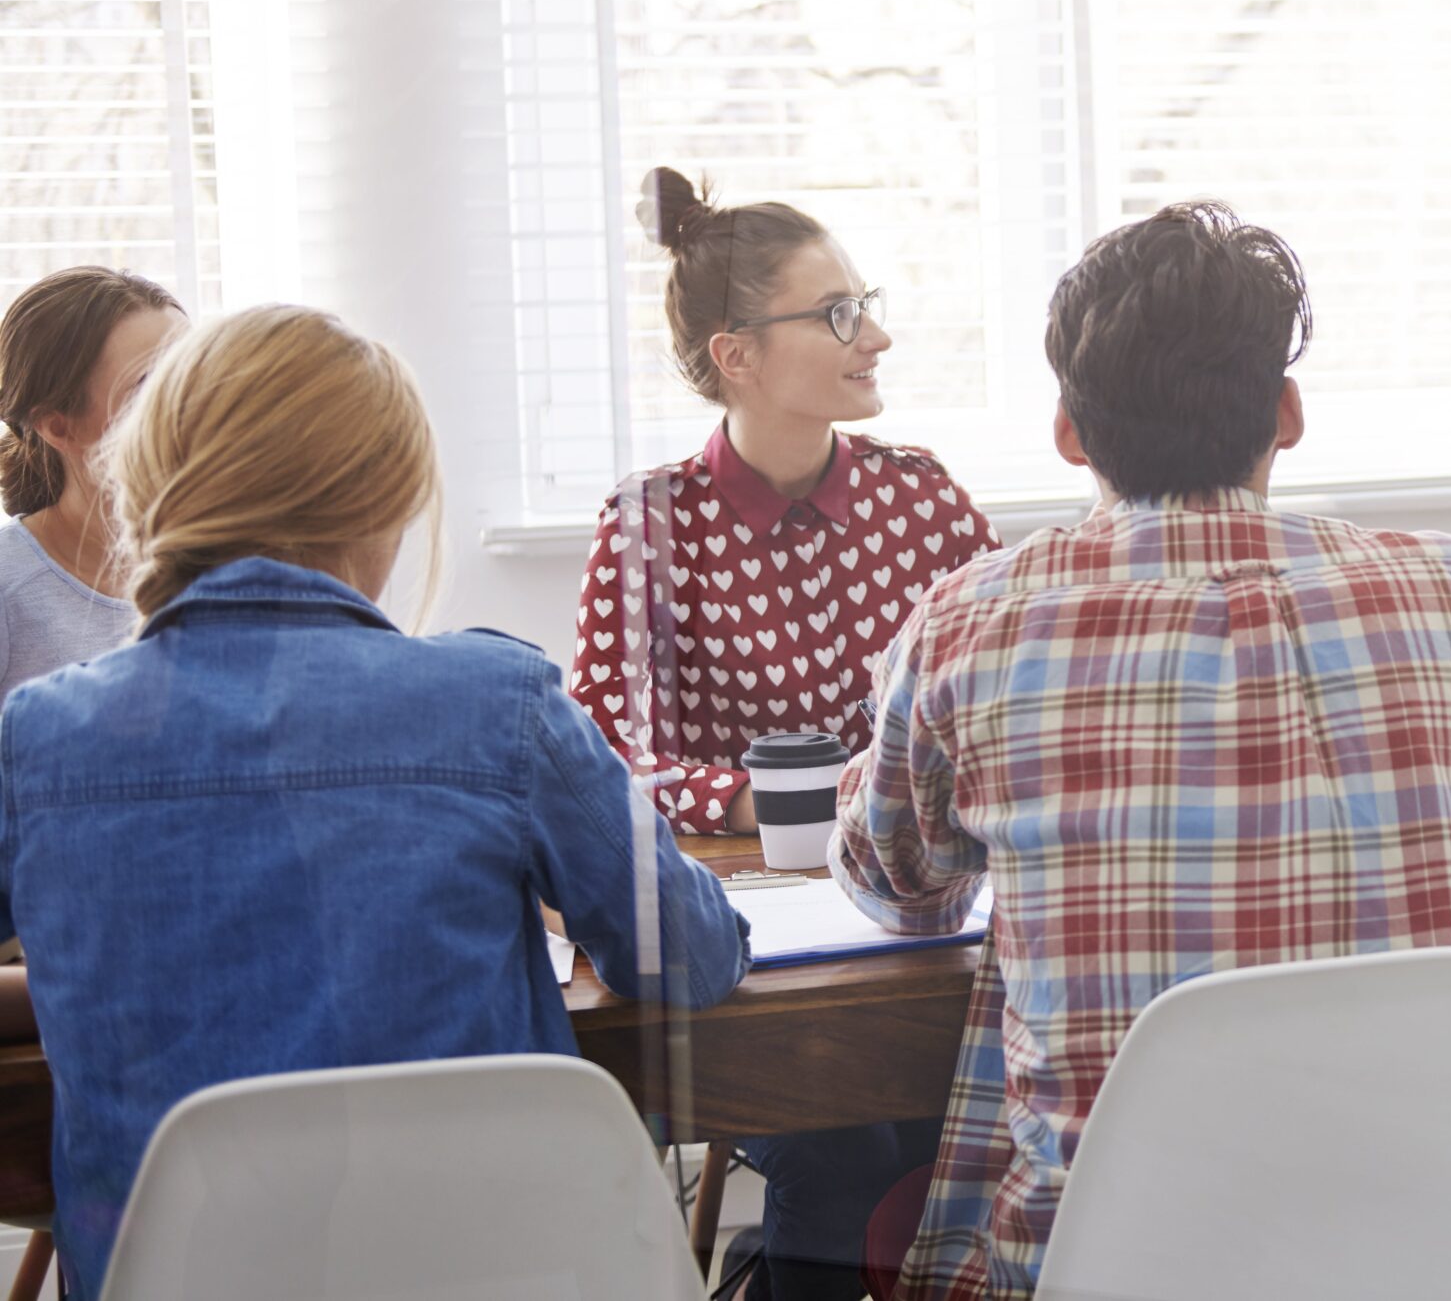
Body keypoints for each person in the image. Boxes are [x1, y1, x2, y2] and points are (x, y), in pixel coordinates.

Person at [840, 202, 1451, 1301]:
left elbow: (899, 886)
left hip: (1115, 1268)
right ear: (1285, 414)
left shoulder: (966, 625)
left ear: (1069, 433)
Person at [0, 305, 748, 1296]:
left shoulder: (38, 739)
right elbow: (690, 959)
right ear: (385, 499)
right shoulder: (498, 703)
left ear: (153, 489)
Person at [569, 169, 998, 1298]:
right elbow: (601, 765)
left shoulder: (927, 501)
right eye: (840, 314)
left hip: (920, 928)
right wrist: (761, 802)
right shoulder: (648, 525)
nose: (879, 336)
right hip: (745, 958)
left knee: (936, 1126)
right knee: (847, 1142)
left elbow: (991, 712)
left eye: (869, 303)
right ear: (737, 355)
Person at [0, 266, 187, 699]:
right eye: (148, 389)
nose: (189, 408)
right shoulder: (10, 590)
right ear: (59, 428)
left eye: (191, 375)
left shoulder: (233, 570)